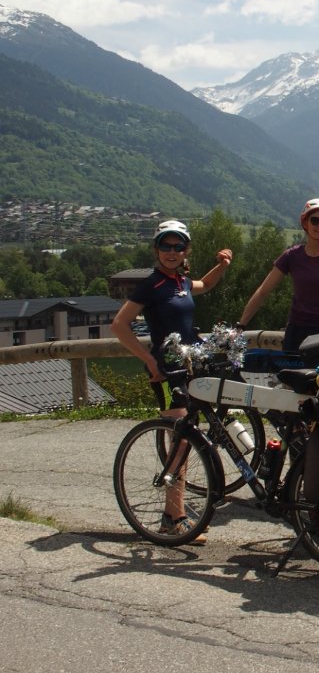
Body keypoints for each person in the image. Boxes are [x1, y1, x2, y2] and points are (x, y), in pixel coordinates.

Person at [111, 219, 233, 543]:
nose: (172, 251)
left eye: (178, 246)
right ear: (156, 249)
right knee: (180, 438)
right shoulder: (151, 285)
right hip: (164, 373)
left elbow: (204, 286)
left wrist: (222, 265)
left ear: (186, 250)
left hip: (189, 368)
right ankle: (172, 516)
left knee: (186, 437)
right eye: (166, 245)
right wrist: (148, 359)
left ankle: (176, 513)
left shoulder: (180, 281)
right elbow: (119, 325)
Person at [237, 198, 319, 352]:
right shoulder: (291, 256)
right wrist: (241, 325)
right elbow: (263, 291)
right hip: (297, 331)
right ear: (305, 224)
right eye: (315, 220)